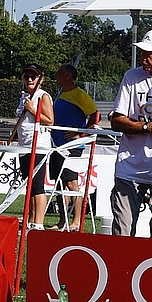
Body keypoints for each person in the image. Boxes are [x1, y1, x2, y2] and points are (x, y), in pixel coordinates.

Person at [109, 29, 152, 237]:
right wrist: (147, 128)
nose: (143, 58)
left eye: (149, 53)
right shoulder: (132, 76)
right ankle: (119, 269)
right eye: (142, 53)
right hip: (129, 168)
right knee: (123, 232)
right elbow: (116, 120)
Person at [48, 63, 99, 231]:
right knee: (60, 185)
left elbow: (94, 114)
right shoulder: (61, 94)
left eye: (59, 73)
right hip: (56, 145)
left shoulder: (79, 95)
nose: (56, 76)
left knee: (72, 184)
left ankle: (77, 221)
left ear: (68, 76)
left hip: (72, 146)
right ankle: (63, 220)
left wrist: (82, 134)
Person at [13, 64, 54, 230]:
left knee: (37, 186)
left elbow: (50, 120)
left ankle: (39, 223)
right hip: (23, 146)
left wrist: (33, 109)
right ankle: (29, 219)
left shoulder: (42, 96)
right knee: (27, 185)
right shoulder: (23, 97)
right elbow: (22, 122)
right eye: (27, 76)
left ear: (40, 79)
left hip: (38, 146)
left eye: (33, 77)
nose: (30, 79)